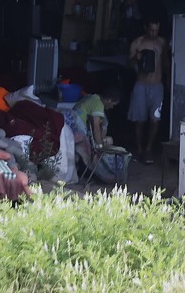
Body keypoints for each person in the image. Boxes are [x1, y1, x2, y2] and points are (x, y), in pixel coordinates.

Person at [66, 84, 127, 184]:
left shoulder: (91, 97)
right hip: (77, 131)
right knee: (109, 142)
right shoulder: (98, 103)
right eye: (113, 104)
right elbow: (96, 128)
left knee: (108, 139)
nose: (111, 107)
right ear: (109, 100)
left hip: (71, 131)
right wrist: (99, 146)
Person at [128, 18, 168, 164]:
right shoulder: (137, 43)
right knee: (139, 120)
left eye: (156, 30)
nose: (153, 33)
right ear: (146, 27)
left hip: (157, 85)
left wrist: (168, 81)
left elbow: (166, 63)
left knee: (155, 119)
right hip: (141, 84)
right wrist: (137, 58)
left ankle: (149, 148)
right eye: (151, 30)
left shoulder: (162, 43)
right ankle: (139, 148)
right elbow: (128, 64)